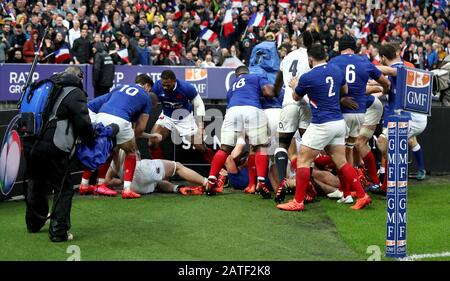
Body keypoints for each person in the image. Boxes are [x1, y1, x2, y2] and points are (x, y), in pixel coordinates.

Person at [276, 44, 372, 212]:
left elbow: (296, 98)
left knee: (303, 160)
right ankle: (362, 195)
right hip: (338, 122)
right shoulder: (336, 70)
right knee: (341, 161)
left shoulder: (307, 77)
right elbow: (345, 90)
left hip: (322, 123)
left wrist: (294, 85)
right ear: (325, 56)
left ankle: (298, 201)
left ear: (310, 60)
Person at [24, 66, 96, 242]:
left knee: (37, 183)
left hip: (30, 143)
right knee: (63, 188)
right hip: (54, 147)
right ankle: (58, 231)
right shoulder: (74, 93)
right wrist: (91, 139)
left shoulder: (45, 87)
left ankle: (34, 224)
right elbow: (83, 124)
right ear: (79, 77)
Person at [328, 35, 390, 200]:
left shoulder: (334, 62)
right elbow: (385, 81)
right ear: (354, 48)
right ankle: (348, 189)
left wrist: (341, 98)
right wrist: (385, 89)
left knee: (341, 153)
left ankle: (348, 191)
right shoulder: (363, 61)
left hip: (341, 112)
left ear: (340, 47)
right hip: (361, 112)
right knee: (350, 149)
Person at [79, 74, 157, 199]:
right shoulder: (146, 96)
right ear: (147, 86)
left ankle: (84, 184)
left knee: (104, 149)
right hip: (120, 119)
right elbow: (141, 128)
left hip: (101, 115)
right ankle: (126, 189)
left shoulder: (119, 87)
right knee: (130, 152)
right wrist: (132, 138)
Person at [205, 65, 275, 198]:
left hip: (232, 111)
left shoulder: (232, 87)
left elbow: (230, 102)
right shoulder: (256, 77)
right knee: (261, 147)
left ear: (237, 75)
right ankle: (261, 183)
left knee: (224, 149)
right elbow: (267, 92)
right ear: (247, 72)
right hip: (252, 108)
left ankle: (211, 180)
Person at [374, 44, 428, 193]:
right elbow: (387, 86)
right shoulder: (401, 66)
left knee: (384, 142)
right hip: (408, 116)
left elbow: (391, 71)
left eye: (380, 59)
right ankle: (389, 185)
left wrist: (368, 68)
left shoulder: (402, 67)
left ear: (384, 57)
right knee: (393, 147)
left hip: (413, 118)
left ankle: (395, 179)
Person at [272, 31, 317, 202]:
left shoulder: (287, 57)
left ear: (299, 42)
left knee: (282, 143)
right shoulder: (312, 57)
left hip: (289, 102)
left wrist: (276, 93)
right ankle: (304, 190)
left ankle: (282, 182)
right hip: (307, 103)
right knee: (309, 146)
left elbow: (277, 84)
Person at [148, 70, 215, 163]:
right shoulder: (157, 86)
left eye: (168, 85)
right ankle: (160, 169)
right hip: (167, 117)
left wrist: (200, 127)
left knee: (201, 147)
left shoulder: (186, 88)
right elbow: (149, 100)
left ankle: (219, 169)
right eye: (163, 84)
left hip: (185, 119)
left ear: (174, 81)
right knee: (152, 141)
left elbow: (199, 105)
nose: (165, 87)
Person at [104, 149, 208, 196]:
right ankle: (207, 183)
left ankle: (177, 188)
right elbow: (139, 130)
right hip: (142, 171)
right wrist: (151, 135)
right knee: (177, 166)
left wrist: (124, 180)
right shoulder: (127, 132)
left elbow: (108, 181)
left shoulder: (114, 160)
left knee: (156, 182)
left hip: (135, 188)